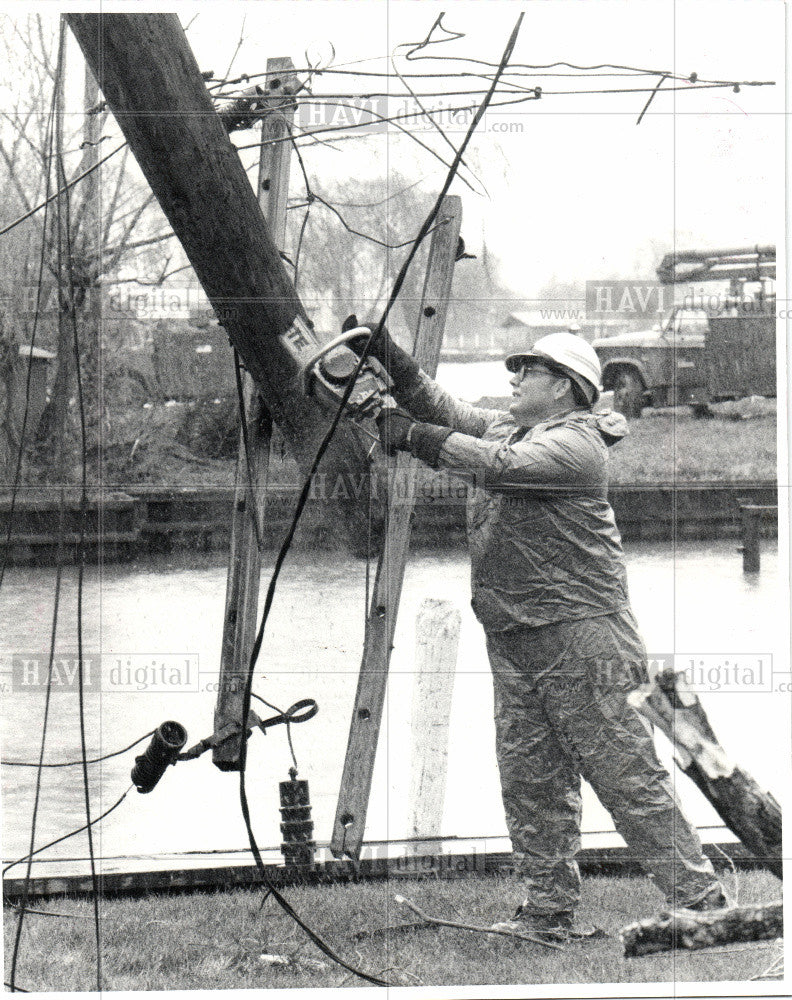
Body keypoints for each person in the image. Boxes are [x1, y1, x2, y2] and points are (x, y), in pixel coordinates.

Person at [348, 322, 727, 940]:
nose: (515, 378)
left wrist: (414, 436)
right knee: (531, 777)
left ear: (565, 389)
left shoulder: (576, 446)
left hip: (584, 637)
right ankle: (547, 910)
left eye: (530, 370)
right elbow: (448, 409)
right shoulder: (515, 426)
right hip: (518, 636)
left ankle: (706, 902)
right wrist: (393, 360)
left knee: (626, 774)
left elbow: (498, 467)